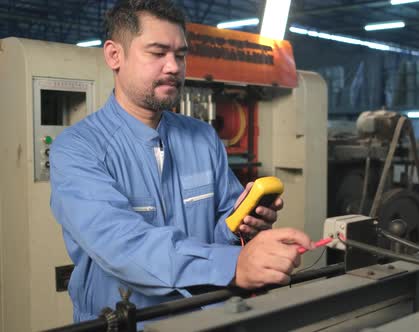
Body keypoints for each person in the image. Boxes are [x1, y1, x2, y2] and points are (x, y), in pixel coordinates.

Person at [49, 0, 313, 322]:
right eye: (158, 53)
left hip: (203, 319)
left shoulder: (202, 137)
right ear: (114, 55)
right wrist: (234, 264)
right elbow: (123, 246)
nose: (173, 67)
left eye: (181, 55)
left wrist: (243, 226)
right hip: (126, 323)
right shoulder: (77, 148)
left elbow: (221, 231)